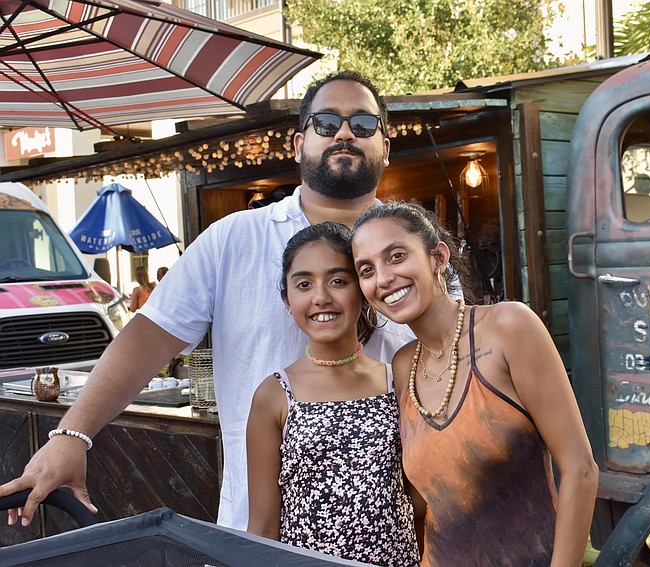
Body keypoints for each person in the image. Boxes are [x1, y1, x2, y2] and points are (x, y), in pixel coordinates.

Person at [0, 70, 415, 531]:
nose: (344, 133)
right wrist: (71, 434)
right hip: (262, 532)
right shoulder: (234, 238)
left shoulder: (412, 249)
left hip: (400, 527)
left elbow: (450, 357)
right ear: (299, 144)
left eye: (362, 123)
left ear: (385, 147)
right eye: (327, 122)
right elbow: (149, 336)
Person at [350, 201, 599, 567]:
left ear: (439, 257)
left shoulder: (508, 328)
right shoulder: (403, 365)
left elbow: (580, 469)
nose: (383, 278)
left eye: (397, 256)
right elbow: (424, 503)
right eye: (367, 270)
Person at [246, 222, 418, 566]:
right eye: (304, 284)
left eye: (338, 281)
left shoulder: (396, 380)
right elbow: (263, 527)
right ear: (287, 300)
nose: (321, 297)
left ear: (362, 291)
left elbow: (421, 500)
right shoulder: (275, 395)